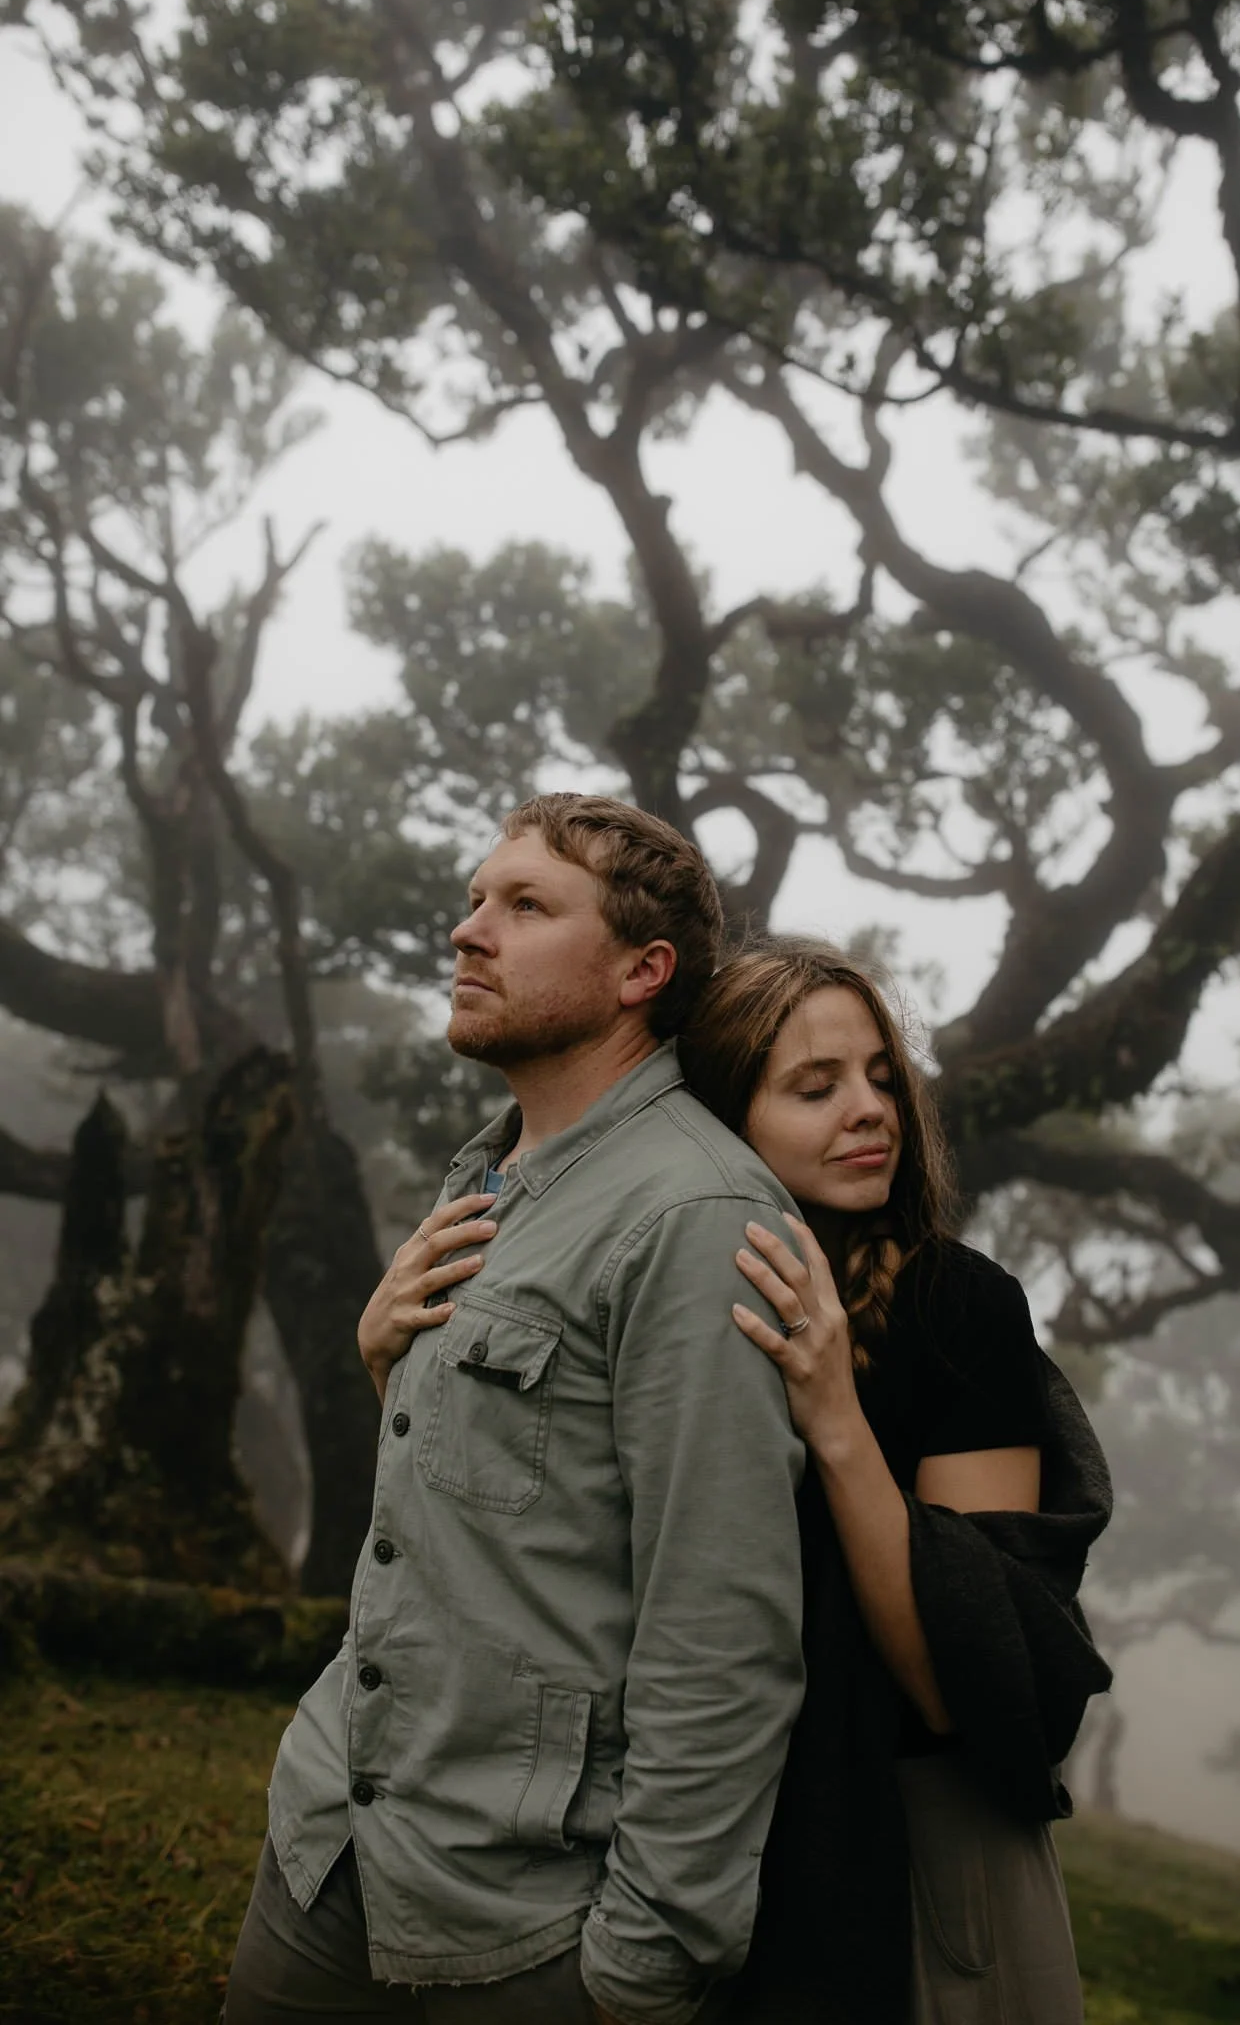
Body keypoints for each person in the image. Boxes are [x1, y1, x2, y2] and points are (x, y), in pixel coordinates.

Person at [224, 795, 807, 2025]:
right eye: (475, 897)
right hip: (330, 1839)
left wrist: (644, 1958)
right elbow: (488, 1504)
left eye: (526, 905)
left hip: (521, 1914)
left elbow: (723, 1624)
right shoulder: (487, 1174)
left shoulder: (696, 1218)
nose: (468, 929)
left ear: (643, 970)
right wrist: (382, 1362)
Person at [676, 939, 1113, 2025]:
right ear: (723, 1123)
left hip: (927, 1855)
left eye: (881, 1075)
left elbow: (956, 1680)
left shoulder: (958, 1307)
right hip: (704, 1829)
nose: (871, 1108)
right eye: (815, 1086)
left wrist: (835, 1417)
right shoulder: (676, 1298)